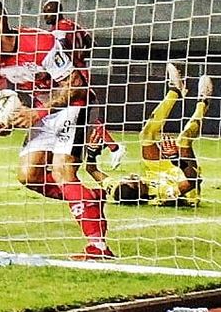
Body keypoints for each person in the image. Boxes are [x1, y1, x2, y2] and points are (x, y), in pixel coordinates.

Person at [0, 0, 113, 260]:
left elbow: (76, 84)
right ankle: (88, 198)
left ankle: (98, 246)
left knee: (62, 170)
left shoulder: (40, 42)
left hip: (74, 105)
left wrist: (39, 112)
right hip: (41, 112)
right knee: (29, 176)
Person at [85, 64, 208, 207]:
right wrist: (177, 160)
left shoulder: (117, 190)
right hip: (185, 180)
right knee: (183, 141)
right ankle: (203, 102)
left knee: (146, 135)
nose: (131, 176)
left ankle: (175, 91)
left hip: (158, 172)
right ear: (140, 193)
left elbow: (91, 170)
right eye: (133, 180)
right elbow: (193, 182)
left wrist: (92, 153)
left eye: (126, 178)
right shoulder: (162, 193)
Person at [41, 0, 126, 170]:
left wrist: (70, 60)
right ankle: (111, 147)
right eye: (45, 12)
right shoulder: (74, 25)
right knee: (79, 114)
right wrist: (81, 57)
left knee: (77, 111)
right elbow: (90, 43)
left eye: (49, 12)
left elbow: (62, 47)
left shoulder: (58, 30)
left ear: (58, 11)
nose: (46, 16)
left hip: (70, 75)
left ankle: (114, 148)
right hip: (79, 70)